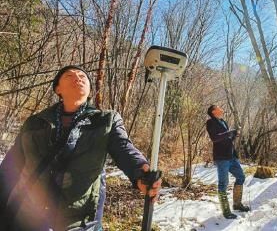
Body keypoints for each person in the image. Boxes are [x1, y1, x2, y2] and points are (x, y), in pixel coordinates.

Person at [0, 65, 161, 231]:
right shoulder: (34, 122)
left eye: (83, 77)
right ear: (57, 89)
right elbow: (10, 167)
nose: (78, 78)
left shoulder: (106, 120)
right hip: (27, 218)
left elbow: (125, 148)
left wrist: (141, 172)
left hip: (78, 222)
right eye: (70, 76)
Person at [206, 105, 250, 219]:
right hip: (221, 158)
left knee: (241, 177)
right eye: (219, 107)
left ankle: (237, 204)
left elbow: (226, 139)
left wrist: (233, 135)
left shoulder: (223, 121)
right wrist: (229, 133)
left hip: (232, 157)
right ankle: (226, 211)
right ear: (214, 111)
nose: (222, 109)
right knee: (223, 184)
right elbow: (215, 138)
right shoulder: (210, 123)